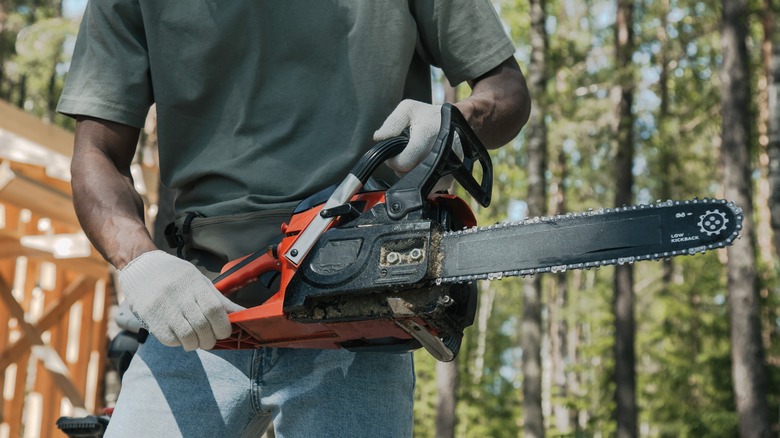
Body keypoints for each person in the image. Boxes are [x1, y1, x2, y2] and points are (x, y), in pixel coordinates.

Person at [58, 1, 530, 436]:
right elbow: (96, 150)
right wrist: (139, 260)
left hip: (358, 306)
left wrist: (451, 123)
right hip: (196, 306)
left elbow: (505, 90)